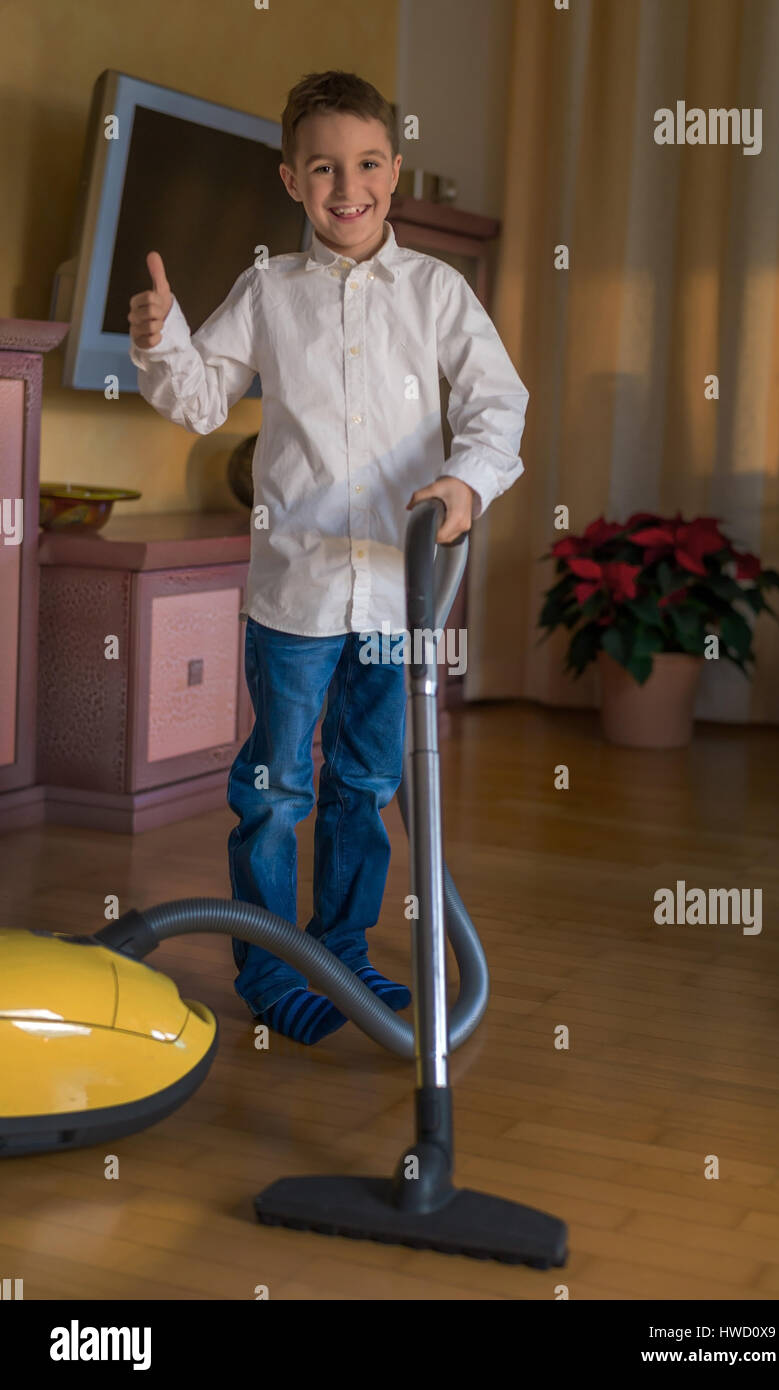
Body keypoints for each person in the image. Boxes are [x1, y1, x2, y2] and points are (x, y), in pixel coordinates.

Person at [128, 69, 528, 1045]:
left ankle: (340, 947)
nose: (345, 186)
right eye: (322, 169)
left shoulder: (436, 292)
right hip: (294, 597)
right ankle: (272, 971)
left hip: (398, 596)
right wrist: (157, 340)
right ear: (291, 180)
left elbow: (495, 403)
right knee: (275, 788)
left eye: (364, 165)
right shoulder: (269, 289)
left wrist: (466, 483)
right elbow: (201, 397)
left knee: (365, 783)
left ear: (392, 170)